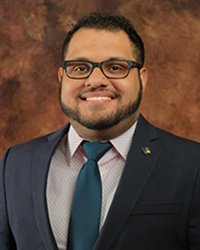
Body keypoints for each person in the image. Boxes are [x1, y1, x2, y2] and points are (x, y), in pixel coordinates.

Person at [0, 12, 200, 250]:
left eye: (115, 67)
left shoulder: (192, 164)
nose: (96, 80)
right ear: (62, 77)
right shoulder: (16, 163)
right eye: (80, 67)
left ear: (142, 79)